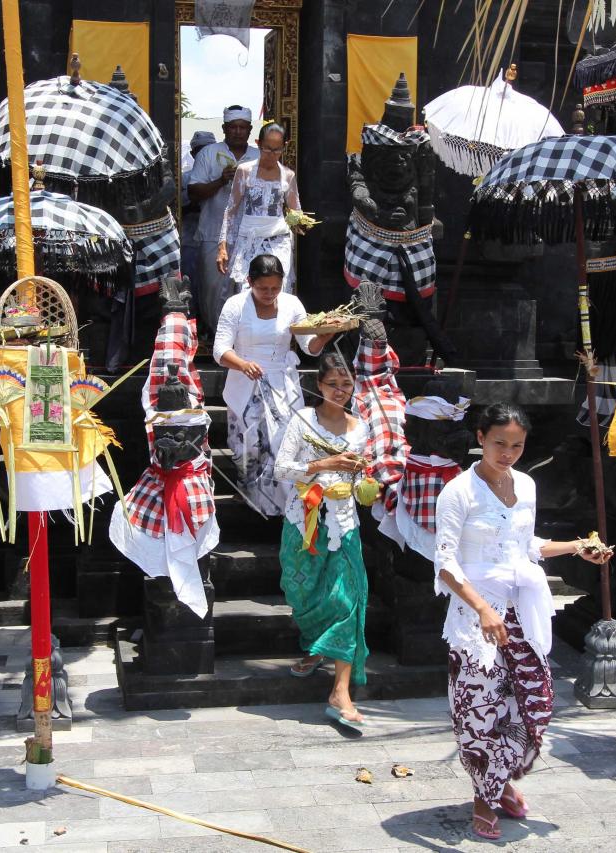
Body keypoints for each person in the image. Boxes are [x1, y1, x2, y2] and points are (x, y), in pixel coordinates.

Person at [433, 403, 610, 840]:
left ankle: (501, 779)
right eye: (499, 443)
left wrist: (575, 547)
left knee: (531, 703)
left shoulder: (526, 486)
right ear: (480, 439)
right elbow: (444, 563)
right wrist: (483, 609)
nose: (508, 452)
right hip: (477, 615)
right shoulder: (458, 492)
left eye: (517, 445)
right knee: (480, 708)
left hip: (523, 611)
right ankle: (483, 794)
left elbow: (523, 543)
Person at [273, 352, 371, 729]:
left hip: (344, 523)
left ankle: (340, 691)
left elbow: (359, 472)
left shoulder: (359, 427)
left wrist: (362, 481)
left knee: (347, 600)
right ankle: (316, 645)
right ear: (319, 385)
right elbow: (281, 469)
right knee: (304, 593)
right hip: (304, 521)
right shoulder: (301, 421)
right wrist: (321, 465)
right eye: (334, 384)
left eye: (347, 385)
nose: (341, 392)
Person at [214, 254, 335, 518]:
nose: (269, 294)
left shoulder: (292, 304)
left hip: (283, 384)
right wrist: (243, 364)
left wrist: (324, 337)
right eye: (262, 288)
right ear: (249, 282)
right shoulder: (235, 305)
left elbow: (309, 348)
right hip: (245, 383)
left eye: (275, 288)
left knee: (284, 443)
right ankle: (252, 500)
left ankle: (285, 508)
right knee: (251, 445)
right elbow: (220, 350)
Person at [189, 106, 260, 330]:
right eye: (233, 127)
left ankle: (243, 340)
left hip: (250, 235)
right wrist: (221, 180)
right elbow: (193, 193)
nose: (238, 132)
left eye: (242, 127)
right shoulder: (208, 154)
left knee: (248, 288)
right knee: (213, 290)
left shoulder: (259, 156)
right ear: (224, 129)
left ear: (249, 130)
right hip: (213, 233)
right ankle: (217, 338)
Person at [217, 122, 300, 293]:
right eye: (267, 149)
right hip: (249, 238)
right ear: (258, 144)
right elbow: (231, 210)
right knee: (249, 287)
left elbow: (295, 211)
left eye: (277, 150)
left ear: (284, 147)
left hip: (278, 239)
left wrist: (299, 222)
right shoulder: (245, 171)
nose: (271, 154)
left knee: (278, 287)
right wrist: (223, 246)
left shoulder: (288, 176)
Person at [180, 130, 217, 328]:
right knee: (191, 283)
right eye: (199, 150)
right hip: (190, 238)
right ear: (193, 153)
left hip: (216, 237)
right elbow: (180, 206)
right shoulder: (185, 177)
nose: (203, 153)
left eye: (207, 149)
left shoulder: (224, 173)